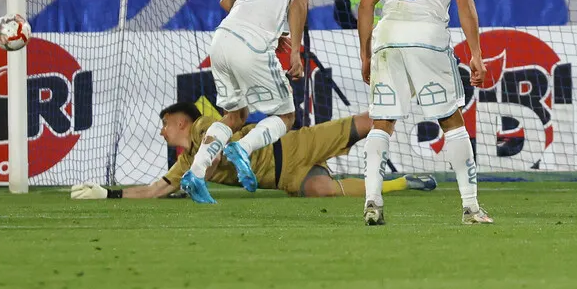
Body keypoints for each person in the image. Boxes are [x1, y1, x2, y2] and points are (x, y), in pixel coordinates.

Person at [357, 0, 491, 226]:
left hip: (388, 37)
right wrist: (476, 54)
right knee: (452, 122)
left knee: (382, 123)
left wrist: (365, 54)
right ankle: (471, 208)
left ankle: (372, 201)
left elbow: (366, 3)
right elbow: (465, 5)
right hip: (427, 38)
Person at [178, 0, 325, 204]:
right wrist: (295, 52)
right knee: (285, 116)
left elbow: (226, 0)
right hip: (253, 45)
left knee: (234, 116)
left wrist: (264, 28)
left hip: (222, 38)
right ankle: (242, 148)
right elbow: (298, 3)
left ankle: (196, 172)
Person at [71, 103, 437, 200]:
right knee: (321, 190)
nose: (161, 131)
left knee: (367, 122)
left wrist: (197, 177)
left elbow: (215, 154)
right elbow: (153, 190)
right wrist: (108, 193)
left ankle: (412, 100)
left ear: (181, 122)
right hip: (285, 177)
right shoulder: (185, 163)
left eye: (165, 124)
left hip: (293, 144)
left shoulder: (204, 127)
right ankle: (402, 183)